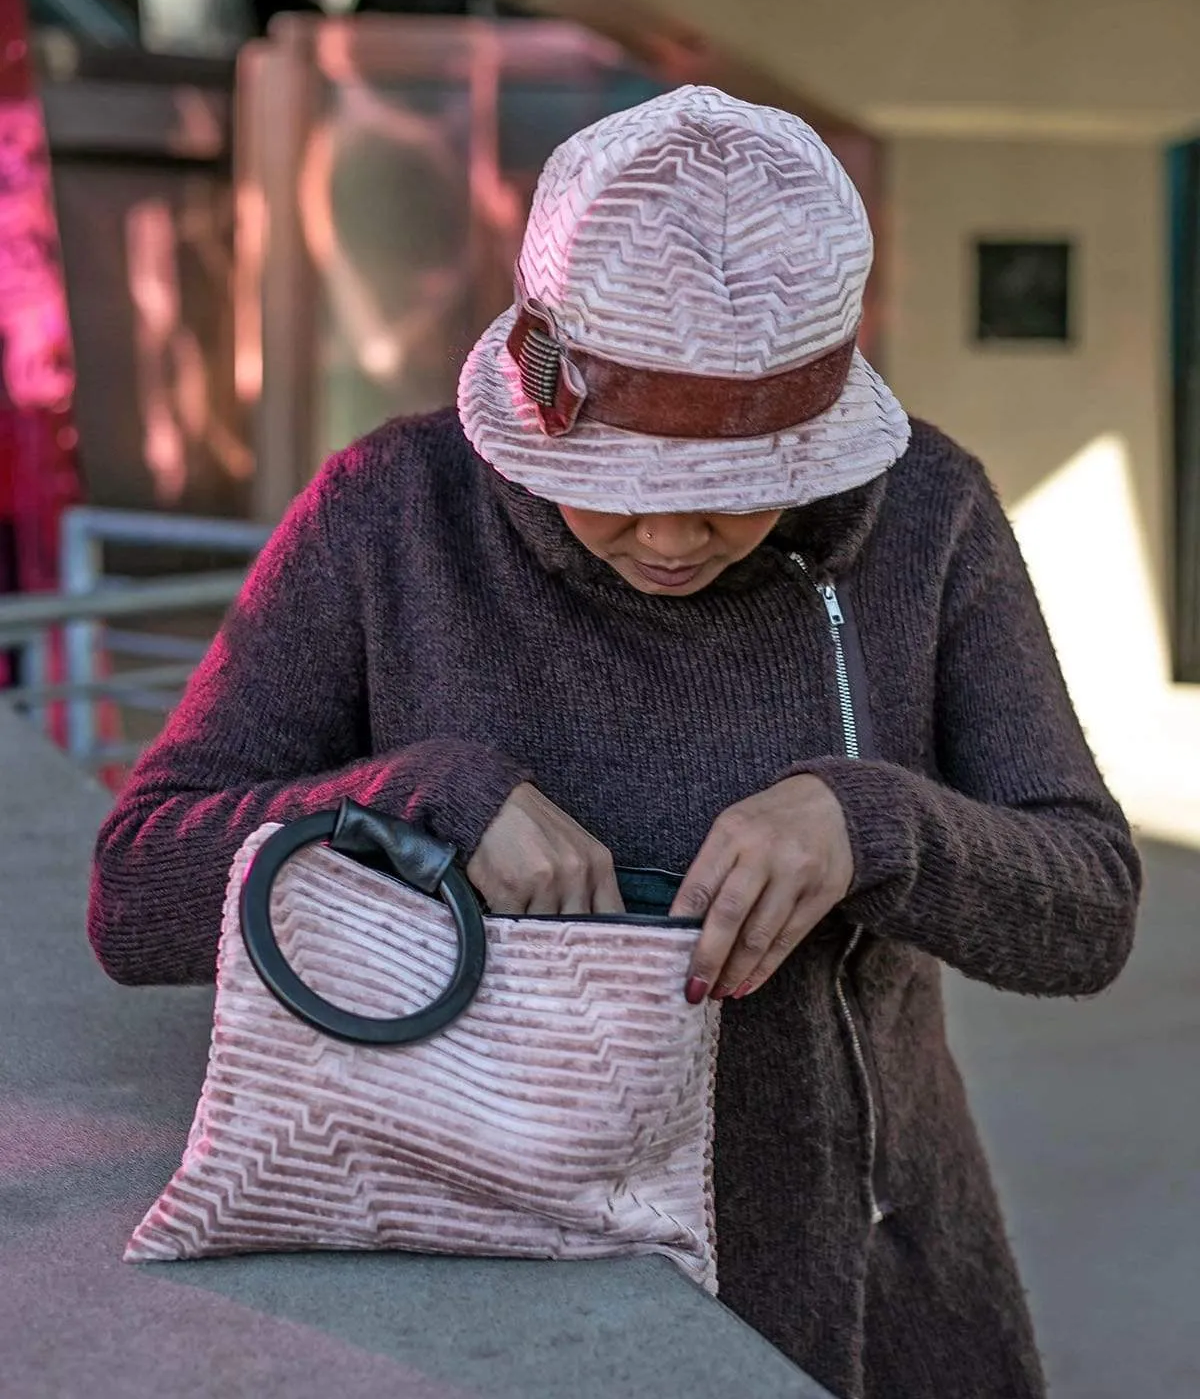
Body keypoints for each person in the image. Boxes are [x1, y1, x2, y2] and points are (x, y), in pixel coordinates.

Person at [88, 86, 1140, 1399]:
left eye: (736, 496)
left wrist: (875, 822)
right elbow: (137, 891)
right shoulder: (390, 517)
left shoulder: (925, 517)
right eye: (620, 489)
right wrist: (424, 804)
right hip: (475, 1274)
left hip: (867, 1273)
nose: (669, 538)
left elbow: (1090, 908)